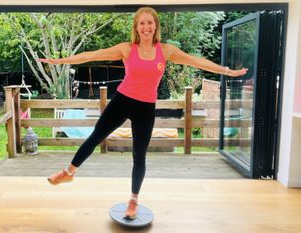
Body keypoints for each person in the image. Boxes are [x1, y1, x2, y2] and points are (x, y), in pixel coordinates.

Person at [39, 7, 247, 219]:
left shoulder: (166, 51)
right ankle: (69, 173)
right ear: (136, 27)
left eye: (150, 23)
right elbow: (92, 55)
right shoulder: (126, 49)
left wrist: (227, 71)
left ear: (156, 25)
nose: (146, 27)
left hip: (145, 108)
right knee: (95, 137)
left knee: (139, 155)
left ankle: (133, 200)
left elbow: (197, 61)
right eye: (142, 23)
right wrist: (61, 61)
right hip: (122, 101)